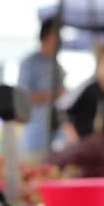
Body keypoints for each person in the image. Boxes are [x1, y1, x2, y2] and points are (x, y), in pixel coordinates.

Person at [58, 44, 104, 142]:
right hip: (80, 148)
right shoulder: (88, 86)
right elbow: (62, 112)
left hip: (97, 148)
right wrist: (75, 142)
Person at [17, 19, 66, 161]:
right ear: (47, 36)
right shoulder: (30, 63)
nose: (60, 40)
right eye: (57, 35)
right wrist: (53, 94)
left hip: (57, 139)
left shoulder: (56, 64)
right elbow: (23, 99)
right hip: (35, 138)